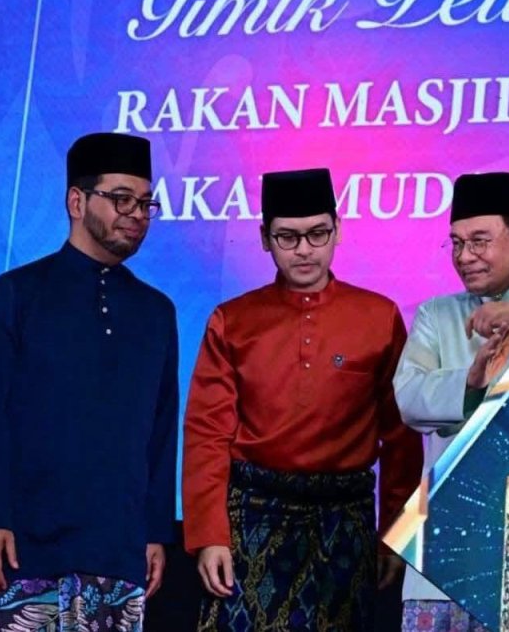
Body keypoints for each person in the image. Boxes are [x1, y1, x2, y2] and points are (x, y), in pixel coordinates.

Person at [182, 167, 424, 631]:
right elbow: (206, 434)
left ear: (338, 231)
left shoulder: (378, 316)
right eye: (287, 237)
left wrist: (395, 534)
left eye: (318, 233)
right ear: (265, 239)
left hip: (344, 523)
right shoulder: (232, 320)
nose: (304, 249)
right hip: (253, 517)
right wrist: (209, 535)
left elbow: (401, 436)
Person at [0, 132, 179, 631]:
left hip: (117, 550)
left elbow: (162, 433)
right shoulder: (17, 294)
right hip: (21, 548)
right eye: (121, 199)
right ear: (76, 201)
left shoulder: (156, 312)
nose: (136, 214)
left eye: (146, 203)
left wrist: (154, 531)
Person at [394, 171, 509, 631]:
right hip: (453, 536)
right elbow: (408, 398)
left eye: (479, 241)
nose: (464, 256)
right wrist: (469, 383)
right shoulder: (436, 315)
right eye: (456, 243)